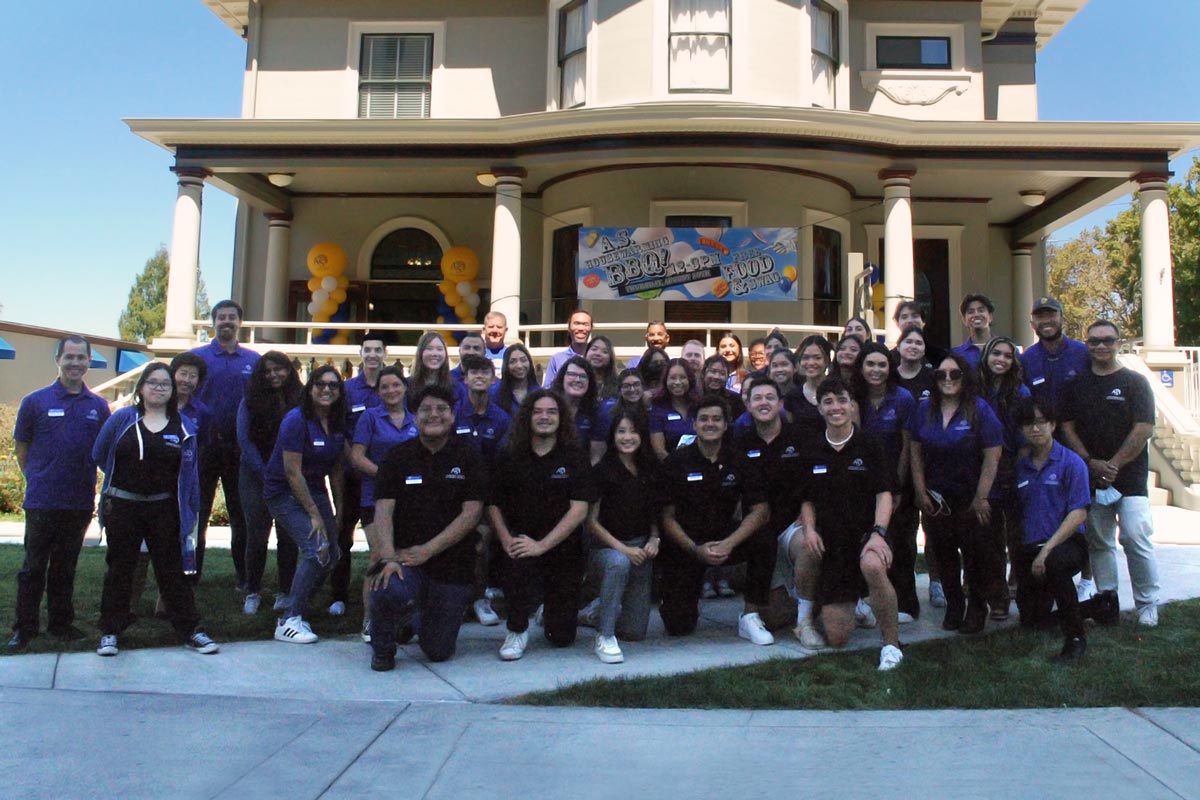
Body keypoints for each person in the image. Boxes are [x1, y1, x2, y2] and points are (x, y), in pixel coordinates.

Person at [91, 362, 218, 657]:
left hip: (164, 510)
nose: (158, 388)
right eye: (153, 382)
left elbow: (190, 473)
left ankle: (191, 630)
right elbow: (100, 454)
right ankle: (110, 631)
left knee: (172, 571)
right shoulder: (123, 418)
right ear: (142, 387)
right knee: (120, 569)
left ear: (172, 391)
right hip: (123, 506)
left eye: (164, 384)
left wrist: (190, 510)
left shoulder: (183, 426)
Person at [365, 385, 487, 671]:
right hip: (406, 560)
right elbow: (383, 511)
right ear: (414, 416)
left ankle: (414, 618)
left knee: (438, 651)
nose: (434, 415)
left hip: (452, 564)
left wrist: (428, 550)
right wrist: (388, 557)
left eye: (441, 409)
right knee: (386, 585)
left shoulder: (469, 458)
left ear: (453, 416)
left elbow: (471, 514)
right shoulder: (396, 458)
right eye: (426, 409)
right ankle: (382, 648)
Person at [9, 335, 111, 651]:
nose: (76, 363)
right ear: (58, 360)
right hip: (42, 500)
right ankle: (24, 629)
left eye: (82, 358)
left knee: (65, 568)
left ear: (88, 362)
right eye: (70, 357)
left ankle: (60, 624)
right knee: (33, 569)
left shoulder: (98, 406)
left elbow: (105, 450)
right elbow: (22, 448)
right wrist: (37, 478)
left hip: (78, 501)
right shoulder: (35, 402)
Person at [794, 377, 903, 671]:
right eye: (828, 401)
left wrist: (879, 533)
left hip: (866, 536)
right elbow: (806, 500)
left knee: (872, 565)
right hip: (832, 544)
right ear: (819, 408)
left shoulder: (871, 444)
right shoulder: (812, 448)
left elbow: (885, 494)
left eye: (842, 400)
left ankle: (891, 645)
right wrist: (810, 529)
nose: (835, 407)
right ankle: (841, 606)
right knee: (838, 638)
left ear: (853, 405)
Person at [1060, 320, 1161, 626]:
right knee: (1100, 543)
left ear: (1119, 343)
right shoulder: (1075, 384)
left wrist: (1114, 463)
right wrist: (1091, 462)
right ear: (1086, 344)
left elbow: (1143, 428)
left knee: (1134, 537)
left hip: (1129, 480)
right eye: (1094, 341)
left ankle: (1147, 604)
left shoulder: (1135, 382)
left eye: (1107, 340)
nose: (1101, 346)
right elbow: (1066, 427)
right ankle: (1107, 602)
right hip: (1091, 478)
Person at [488, 390, 597, 661]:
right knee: (515, 561)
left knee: (561, 639)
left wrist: (543, 546)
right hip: (520, 541)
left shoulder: (574, 455)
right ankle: (516, 629)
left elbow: (580, 508)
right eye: (538, 411)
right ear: (527, 417)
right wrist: (505, 539)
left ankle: (548, 611)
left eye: (551, 412)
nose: (544, 417)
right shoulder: (510, 454)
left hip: (561, 547)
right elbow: (493, 503)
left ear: (561, 418)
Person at [658, 393, 773, 645]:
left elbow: (760, 510)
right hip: (686, 543)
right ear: (694, 424)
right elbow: (666, 518)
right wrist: (694, 549)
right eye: (704, 419)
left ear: (725, 424)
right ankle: (688, 596)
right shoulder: (676, 461)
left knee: (764, 539)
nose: (710, 424)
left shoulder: (738, 459)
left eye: (716, 419)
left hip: (725, 537)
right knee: (679, 627)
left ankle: (751, 615)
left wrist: (729, 543)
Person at [908, 352, 1004, 633]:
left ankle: (977, 606)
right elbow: (915, 452)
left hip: (970, 497)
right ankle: (954, 604)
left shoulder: (980, 409)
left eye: (954, 374)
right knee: (943, 553)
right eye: (941, 375)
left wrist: (982, 497)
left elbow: (992, 455)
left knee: (975, 555)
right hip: (937, 499)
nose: (947, 379)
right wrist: (920, 490)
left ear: (965, 377)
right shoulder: (924, 409)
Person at [264, 366, 347, 644]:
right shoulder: (296, 420)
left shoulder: (337, 422)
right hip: (284, 491)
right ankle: (288, 620)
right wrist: (314, 515)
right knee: (316, 550)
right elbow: (292, 472)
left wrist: (339, 510)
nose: (327, 390)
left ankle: (300, 605)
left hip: (315, 489)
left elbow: (336, 470)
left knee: (332, 553)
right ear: (310, 388)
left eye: (333, 385)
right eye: (320, 384)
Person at [1012, 396, 1092, 663]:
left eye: (1041, 422)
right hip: (1030, 549)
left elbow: (1079, 512)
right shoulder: (1020, 468)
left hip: (1066, 545)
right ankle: (1096, 607)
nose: (1035, 429)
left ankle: (1076, 639)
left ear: (1053, 424)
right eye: (1028, 424)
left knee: (1056, 565)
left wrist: (1046, 551)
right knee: (1033, 621)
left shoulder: (1071, 463)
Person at [583, 408, 662, 663]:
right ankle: (604, 636)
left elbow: (655, 513)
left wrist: (654, 538)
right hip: (606, 551)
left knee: (634, 632)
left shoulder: (649, 468)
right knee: (618, 563)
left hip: (641, 549)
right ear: (612, 436)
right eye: (621, 431)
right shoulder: (602, 470)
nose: (627, 437)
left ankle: (591, 612)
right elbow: (591, 523)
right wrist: (623, 550)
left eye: (633, 431)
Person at [733, 377, 811, 631]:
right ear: (748, 404)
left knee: (807, 546)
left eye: (769, 397)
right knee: (776, 619)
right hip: (760, 532)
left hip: (793, 526)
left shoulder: (800, 437)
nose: (763, 403)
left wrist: (808, 513)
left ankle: (808, 615)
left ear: (780, 404)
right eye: (757, 398)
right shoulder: (740, 442)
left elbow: (817, 481)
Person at [191, 299, 260, 585]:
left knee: (240, 515)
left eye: (232, 317)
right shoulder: (197, 358)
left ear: (240, 323)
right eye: (221, 317)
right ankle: (189, 574)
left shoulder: (253, 361)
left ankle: (244, 578)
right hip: (203, 447)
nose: (227, 322)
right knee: (197, 513)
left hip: (239, 448)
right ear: (213, 322)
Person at [349, 365, 418, 642]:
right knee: (379, 555)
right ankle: (369, 620)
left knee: (401, 555)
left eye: (396, 385)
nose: (391, 390)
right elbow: (356, 456)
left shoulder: (415, 420)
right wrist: (387, 476)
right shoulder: (370, 417)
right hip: (374, 498)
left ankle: (399, 616)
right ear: (378, 391)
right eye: (385, 386)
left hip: (410, 501)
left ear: (404, 387)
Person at [853, 342, 918, 622]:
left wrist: (898, 486)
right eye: (870, 364)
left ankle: (906, 605)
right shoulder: (854, 397)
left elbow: (907, 447)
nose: (876, 370)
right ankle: (867, 601)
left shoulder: (903, 398)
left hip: (896, 483)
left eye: (882, 364)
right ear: (861, 367)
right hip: (863, 484)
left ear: (890, 368)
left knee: (901, 544)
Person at [237, 351, 303, 615]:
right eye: (268, 370)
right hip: (256, 474)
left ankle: (285, 590)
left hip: (290, 476)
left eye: (280, 369)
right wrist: (266, 473)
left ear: (289, 370)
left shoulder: (301, 400)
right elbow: (244, 440)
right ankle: (252, 590)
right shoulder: (250, 399)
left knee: (288, 535)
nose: (274, 375)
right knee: (256, 533)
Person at [330, 334, 389, 619]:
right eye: (368, 350)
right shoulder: (348, 389)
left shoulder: (391, 387)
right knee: (343, 532)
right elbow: (338, 427)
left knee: (383, 534)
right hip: (350, 473)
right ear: (361, 353)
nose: (373, 354)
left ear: (385, 353)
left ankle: (384, 587)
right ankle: (338, 594)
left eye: (378, 350)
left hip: (382, 477)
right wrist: (352, 457)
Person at [453, 354, 513, 627]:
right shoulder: (451, 413)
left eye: (484, 373)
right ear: (464, 378)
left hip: (487, 495)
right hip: (453, 494)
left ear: (493, 379)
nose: (479, 377)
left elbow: (503, 462)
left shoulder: (501, 419)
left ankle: (479, 597)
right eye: (473, 373)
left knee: (481, 546)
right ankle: (453, 597)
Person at [978, 336, 1031, 620]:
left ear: (1014, 362)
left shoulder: (1020, 392)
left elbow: (1024, 439)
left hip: (1012, 467)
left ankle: (1021, 591)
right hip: (981, 467)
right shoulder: (975, 389)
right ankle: (997, 596)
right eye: (996, 353)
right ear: (986, 356)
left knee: (1016, 537)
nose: (1001, 359)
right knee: (990, 537)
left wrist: (1020, 473)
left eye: (1007, 356)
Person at [1020, 296, 1090, 425]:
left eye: (1051, 315)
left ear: (1062, 319)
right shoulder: (1026, 359)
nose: (1046, 320)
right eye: (1040, 317)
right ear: (1032, 324)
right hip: (1043, 436)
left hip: (1081, 433)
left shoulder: (1083, 353)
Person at [551, 356, 607, 463]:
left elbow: (596, 456)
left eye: (583, 376)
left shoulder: (597, 411)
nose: (577, 380)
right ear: (562, 377)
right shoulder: (549, 405)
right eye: (572, 375)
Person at [650, 358, 701, 459]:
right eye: (672, 378)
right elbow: (660, 451)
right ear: (666, 381)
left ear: (689, 380)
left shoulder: (699, 407)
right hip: (670, 469)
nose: (677, 382)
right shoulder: (658, 410)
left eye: (682, 377)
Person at [409, 331, 465, 411]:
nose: (435, 354)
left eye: (439, 349)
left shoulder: (456, 387)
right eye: (429, 349)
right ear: (420, 353)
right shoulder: (408, 386)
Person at [793, 334, 832, 434]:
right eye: (805, 358)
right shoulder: (793, 396)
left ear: (827, 361)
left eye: (817, 358)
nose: (810, 362)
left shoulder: (840, 391)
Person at [543, 309, 593, 387]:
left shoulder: (596, 359)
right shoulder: (557, 359)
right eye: (576, 323)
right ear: (569, 328)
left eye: (585, 324)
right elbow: (547, 390)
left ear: (591, 328)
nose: (580, 328)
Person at [490, 342, 535, 416]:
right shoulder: (495, 393)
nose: (519, 366)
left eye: (523, 360)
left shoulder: (539, 392)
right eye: (513, 361)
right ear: (506, 365)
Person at [894, 325, 936, 403]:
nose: (913, 346)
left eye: (919, 343)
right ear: (898, 347)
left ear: (924, 351)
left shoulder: (933, 377)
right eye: (908, 341)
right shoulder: (890, 376)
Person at [953, 294, 995, 368]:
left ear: (990, 317)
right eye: (971, 312)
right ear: (964, 320)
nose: (976, 314)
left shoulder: (1007, 349)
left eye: (981, 310)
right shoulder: (956, 354)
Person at [585, 335, 621, 401]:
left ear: (610, 358)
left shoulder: (618, 385)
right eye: (594, 349)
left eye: (604, 351)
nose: (598, 354)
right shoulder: (577, 380)